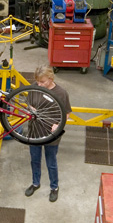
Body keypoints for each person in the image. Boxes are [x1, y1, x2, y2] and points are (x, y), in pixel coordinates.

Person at [24, 65, 71, 202]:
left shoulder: (61, 93)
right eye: (38, 81)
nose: (39, 84)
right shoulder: (34, 87)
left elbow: (67, 113)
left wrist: (58, 124)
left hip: (51, 134)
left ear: (51, 79)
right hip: (34, 131)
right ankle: (35, 183)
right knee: (35, 160)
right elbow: (28, 104)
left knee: (51, 162)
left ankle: (54, 187)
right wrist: (29, 108)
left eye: (43, 82)